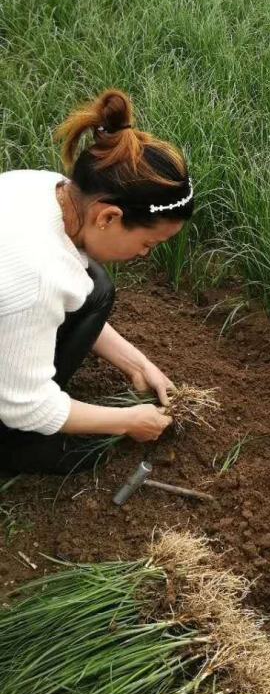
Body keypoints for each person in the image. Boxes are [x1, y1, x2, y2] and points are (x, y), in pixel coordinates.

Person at [0, 89, 195, 475]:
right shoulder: (38, 277)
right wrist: (126, 421)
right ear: (108, 217)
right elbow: (26, 407)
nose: (144, 255)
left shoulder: (44, 188)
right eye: (147, 243)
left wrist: (138, 364)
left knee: (95, 287)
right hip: (16, 381)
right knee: (75, 453)